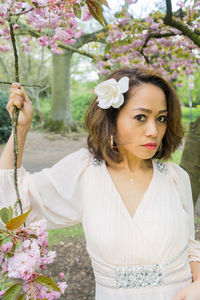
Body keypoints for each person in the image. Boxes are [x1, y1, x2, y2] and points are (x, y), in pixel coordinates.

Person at [0, 67, 200, 300]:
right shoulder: (85, 171)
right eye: (141, 117)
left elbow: (190, 247)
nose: (153, 131)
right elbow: (12, 202)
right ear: (112, 120)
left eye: (161, 118)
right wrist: (20, 129)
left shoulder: (176, 177)